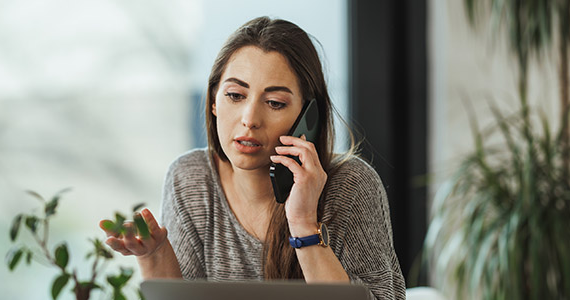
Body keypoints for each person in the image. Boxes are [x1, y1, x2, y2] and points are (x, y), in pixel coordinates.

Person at [100, 16, 406, 299]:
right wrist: (154, 256)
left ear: (307, 116)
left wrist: (303, 224)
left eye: (274, 103)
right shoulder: (190, 179)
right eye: (235, 96)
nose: (249, 119)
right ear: (213, 102)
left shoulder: (351, 185)